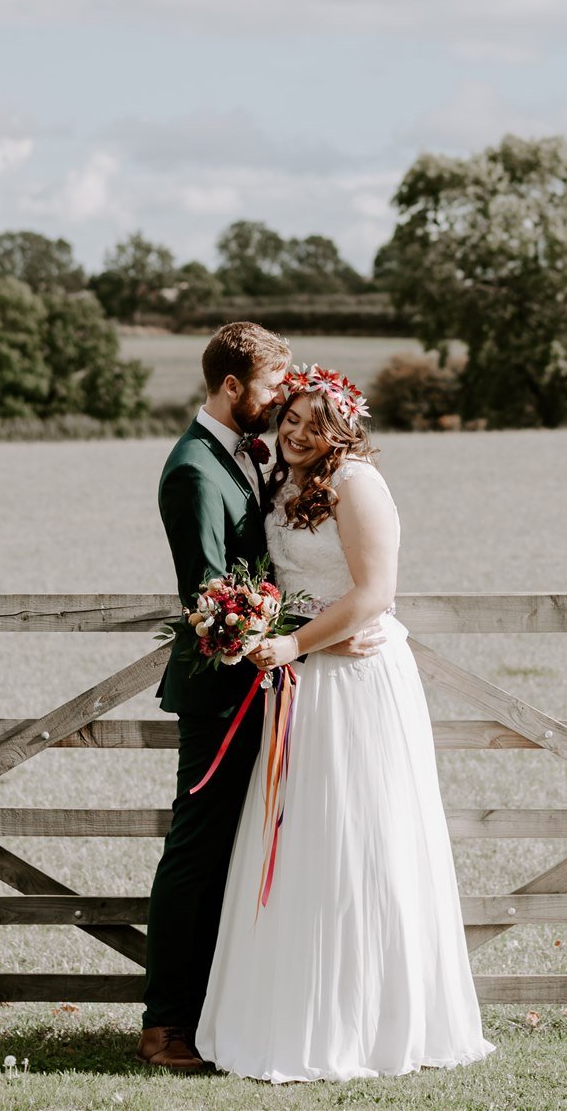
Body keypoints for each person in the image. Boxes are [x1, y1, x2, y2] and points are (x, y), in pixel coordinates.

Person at [194, 364, 494, 1083]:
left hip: (355, 682)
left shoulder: (358, 485)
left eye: (312, 423)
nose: (296, 432)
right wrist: (274, 625)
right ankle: (290, 1016)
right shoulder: (284, 482)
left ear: (344, 426)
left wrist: (297, 641)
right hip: (304, 682)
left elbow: (376, 592)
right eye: (290, 418)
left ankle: (373, 1024)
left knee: (362, 836)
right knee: (303, 841)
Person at [138, 324, 382, 1072]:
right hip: (221, 695)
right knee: (197, 853)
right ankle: (166, 1025)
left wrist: (313, 633)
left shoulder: (249, 458)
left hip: (272, 684)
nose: (283, 403)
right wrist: (317, 635)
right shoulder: (192, 471)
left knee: (246, 855)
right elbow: (212, 602)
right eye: (275, 390)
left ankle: (223, 1012)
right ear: (234, 387)